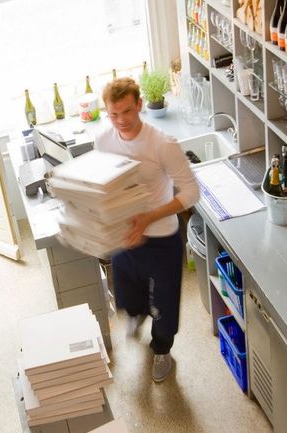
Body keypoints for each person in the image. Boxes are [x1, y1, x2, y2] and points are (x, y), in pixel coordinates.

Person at [95, 77, 199, 382]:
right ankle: (137, 315)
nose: (121, 121)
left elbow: (191, 193)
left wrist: (147, 218)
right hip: (125, 234)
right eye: (113, 115)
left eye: (127, 112)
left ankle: (162, 350)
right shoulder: (103, 141)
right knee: (127, 292)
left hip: (162, 235)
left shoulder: (163, 144)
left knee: (165, 303)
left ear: (139, 105)